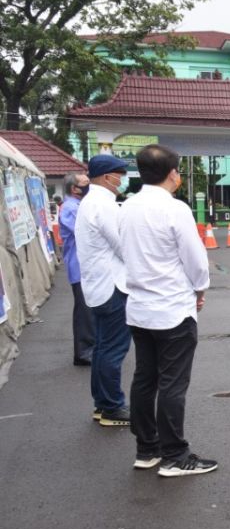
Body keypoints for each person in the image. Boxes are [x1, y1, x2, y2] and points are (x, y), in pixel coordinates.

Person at [120, 144, 215, 476]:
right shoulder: (175, 210)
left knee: (145, 379)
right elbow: (196, 260)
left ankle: (147, 449)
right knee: (173, 384)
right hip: (173, 308)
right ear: (173, 174)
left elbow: (124, 253)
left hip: (140, 308)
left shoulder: (127, 207)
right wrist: (199, 290)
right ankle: (176, 455)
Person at [75, 154, 130, 426]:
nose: (122, 179)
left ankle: (102, 403)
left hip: (98, 286)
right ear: (107, 177)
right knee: (113, 349)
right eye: (120, 174)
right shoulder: (104, 205)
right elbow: (123, 246)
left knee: (102, 347)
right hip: (113, 286)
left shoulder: (90, 202)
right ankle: (112, 407)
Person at [59, 171, 94, 366]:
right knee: (84, 312)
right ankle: (84, 352)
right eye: (85, 183)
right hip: (79, 266)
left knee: (88, 309)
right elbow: (85, 232)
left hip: (83, 265)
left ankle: (88, 348)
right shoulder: (71, 208)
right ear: (74, 188)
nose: (88, 185)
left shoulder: (77, 206)